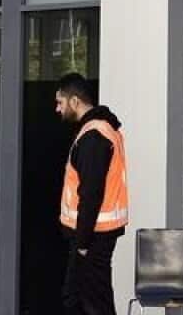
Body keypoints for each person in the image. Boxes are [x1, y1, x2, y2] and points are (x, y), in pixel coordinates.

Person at [56, 73, 129, 315]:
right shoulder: (96, 131)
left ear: (75, 101)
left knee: (91, 302)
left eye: (60, 102)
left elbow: (91, 194)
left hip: (92, 236)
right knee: (84, 298)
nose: (57, 109)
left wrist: (83, 243)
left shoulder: (94, 137)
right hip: (93, 234)